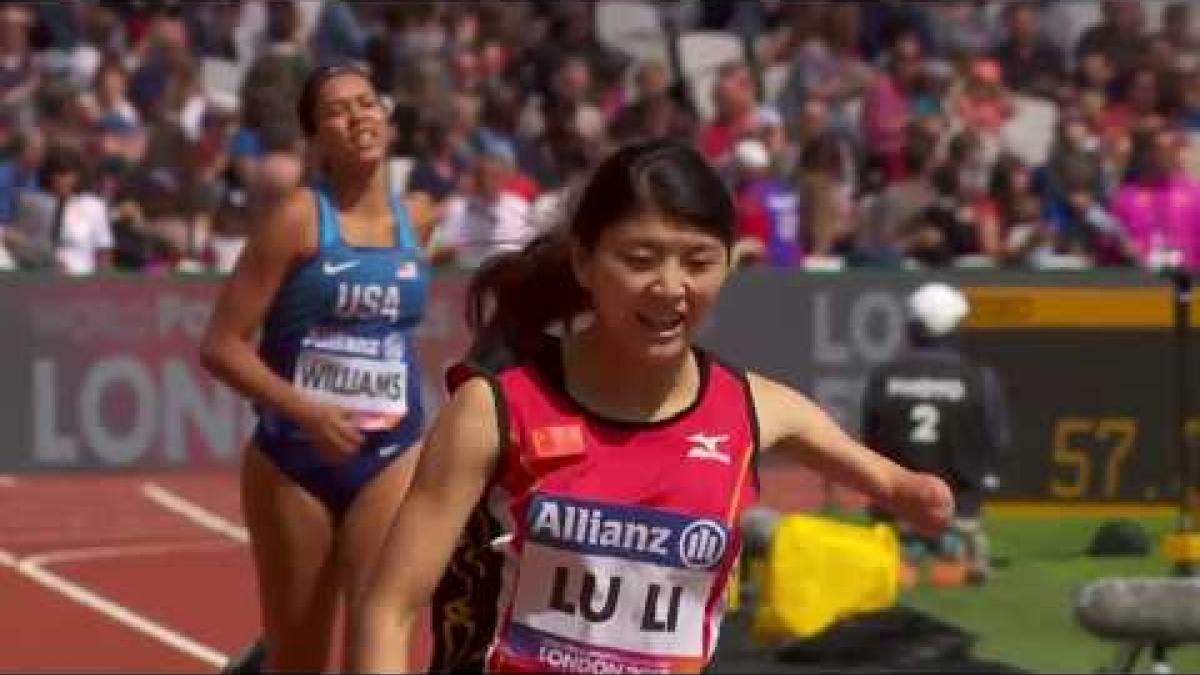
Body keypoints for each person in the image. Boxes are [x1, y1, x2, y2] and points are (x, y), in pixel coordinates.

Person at [348, 139, 955, 673]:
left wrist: (913, 492)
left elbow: (889, 481)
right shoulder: (496, 409)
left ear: (729, 263)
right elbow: (388, 608)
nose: (670, 287)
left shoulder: (756, 411)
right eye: (640, 260)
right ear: (584, 261)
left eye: (698, 261)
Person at [199, 62, 432, 672]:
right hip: (295, 460)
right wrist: (306, 409)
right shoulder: (298, 220)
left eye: (366, 102)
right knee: (299, 655)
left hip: (391, 453)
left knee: (380, 636)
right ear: (317, 137)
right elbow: (221, 345)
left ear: (385, 116)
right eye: (336, 110)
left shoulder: (421, 218)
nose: (356, 116)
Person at [861, 282, 1011, 585]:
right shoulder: (979, 379)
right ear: (955, 327)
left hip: (896, 505)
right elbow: (998, 439)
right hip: (959, 508)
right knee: (957, 565)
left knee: (898, 567)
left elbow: (870, 440)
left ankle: (905, 560)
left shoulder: (883, 377)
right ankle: (956, 558)